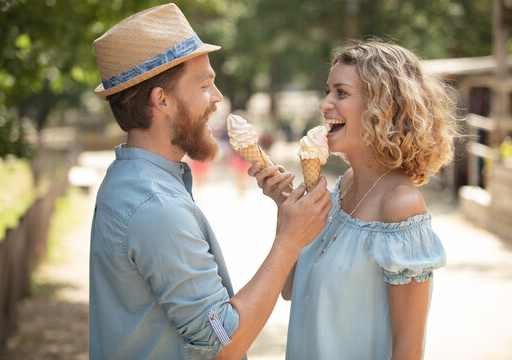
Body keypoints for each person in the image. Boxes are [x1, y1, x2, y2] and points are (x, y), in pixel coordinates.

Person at [89, 3, 333, 360]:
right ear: (162, 99)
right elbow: (222, 344)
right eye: (205, 85)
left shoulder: (129, 178)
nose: (218, 98)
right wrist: (289, 241)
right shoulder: (155, 206)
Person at [249, 40, 459, 359]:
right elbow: (292, 290)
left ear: (382, 107)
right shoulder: (343, 186)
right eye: (327, 91)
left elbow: (409, 348)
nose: (325, 104)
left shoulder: (401, 205)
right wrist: (285, 208)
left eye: (341, 93)